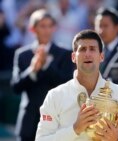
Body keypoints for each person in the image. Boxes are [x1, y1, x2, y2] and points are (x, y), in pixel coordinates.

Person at [35, 30, 118, 141]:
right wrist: (75, 129)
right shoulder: (55, 95)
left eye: (92, 49)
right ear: (73, 57)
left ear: (102, 56)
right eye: (82, 49)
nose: (87, 54)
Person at [10, 9, 74, 141]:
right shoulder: (22, 55)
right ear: (33, 29)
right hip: (28, 123)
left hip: (56, 123)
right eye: (43, 26)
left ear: (54, 28)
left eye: (50, 26)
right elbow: (15, 87)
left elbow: (67, 84)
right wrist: (32, 70)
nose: (47, 30)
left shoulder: (65, 53)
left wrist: (46, 66)